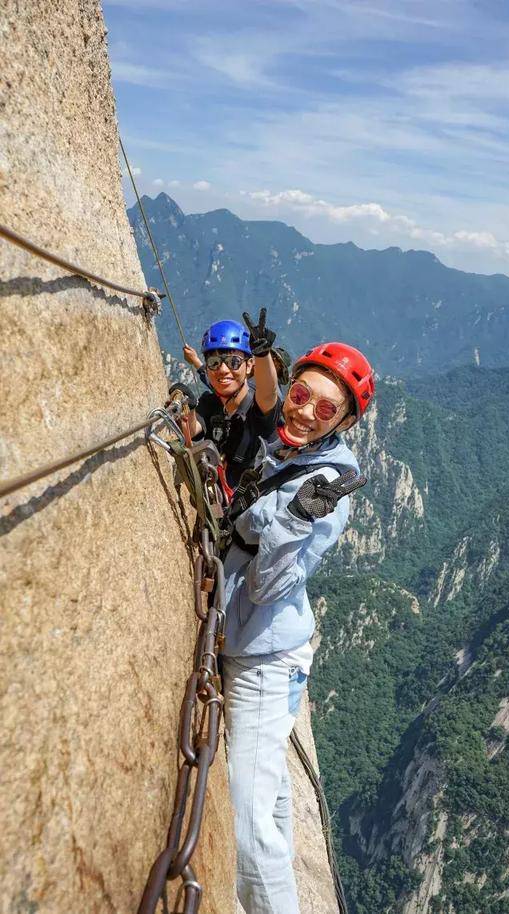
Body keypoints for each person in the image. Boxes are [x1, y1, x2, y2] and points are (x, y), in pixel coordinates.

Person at [221, 342, 375, 914]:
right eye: (302, 394)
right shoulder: (292, 452)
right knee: (276, 798)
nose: (305, 412)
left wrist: (291, 520)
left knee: (247, 823)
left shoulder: (327, 489)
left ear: (347, 422)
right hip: (266, 643)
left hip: (263, 658)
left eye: (326, 409)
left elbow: (268, 587)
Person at [171, 310, 281, 494]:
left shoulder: (257, 409)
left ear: (249, 366)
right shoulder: (211, 403)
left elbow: (268, 394)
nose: (222, 370)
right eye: (214, 362)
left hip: (249, 507)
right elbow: (190, 430)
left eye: (234, 362)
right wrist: (186, 408)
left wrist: (263, 354)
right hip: (218, 496)